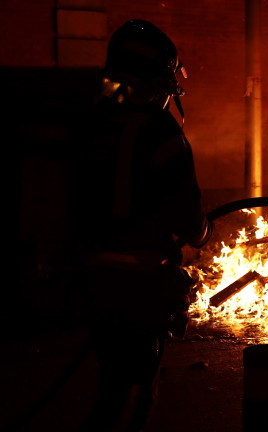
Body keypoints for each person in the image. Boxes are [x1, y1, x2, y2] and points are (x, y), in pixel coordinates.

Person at [73, 19, 212, 431]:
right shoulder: (158, 130)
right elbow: (189, 218)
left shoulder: (89, 123)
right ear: (156, 77)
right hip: (140, 281)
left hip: (91, 276)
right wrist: (203, 233)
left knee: (110, 384)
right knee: (133, 394)